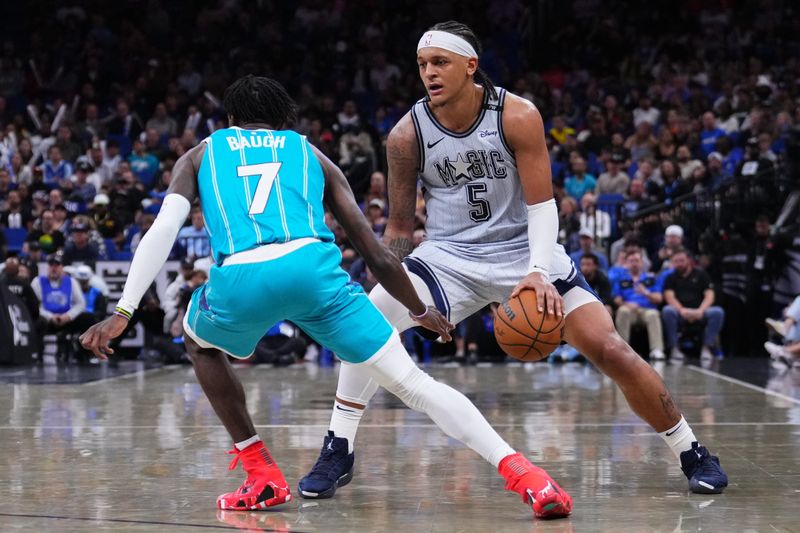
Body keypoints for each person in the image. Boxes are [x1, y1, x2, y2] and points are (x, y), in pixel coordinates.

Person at [80, 75, 572, 520]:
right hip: (315, 272)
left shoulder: (204, 152)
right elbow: (377, 254)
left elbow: (163, 229)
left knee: (199, 342)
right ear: (283, 121)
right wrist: (422, 312)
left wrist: (123, 311)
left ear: (230, 120)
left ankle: (261, 475)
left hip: (243, 276)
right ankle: (528, 477)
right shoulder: (310, 153)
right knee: (415, 386)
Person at [302, 20, 727, 502]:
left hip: (525, 251)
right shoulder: (406, 135)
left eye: (440, 62)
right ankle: (338, 448)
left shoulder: (516, 114)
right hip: (448, 256)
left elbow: (543, 205)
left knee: (608, 347)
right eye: (422, 65)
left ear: (470, 65)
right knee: (370, 320)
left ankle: (691, 450)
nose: (429, 73)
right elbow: (399, 230)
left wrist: (539, 272)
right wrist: (383, 279)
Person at [661, 249, 725, 361]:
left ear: (689, 261)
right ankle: (674, 348)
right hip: (680, 312)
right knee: (667, 310)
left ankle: (707, 347)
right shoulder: (670, 277)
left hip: (700, 311)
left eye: (682, 260)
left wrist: (701, 310)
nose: (679, 264)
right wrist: (682, 310)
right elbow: (669, 297)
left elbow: (710, 295)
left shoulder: (701, 274)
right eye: (676, 261)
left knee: (717, 312)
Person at [612, 249, 665, 360]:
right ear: (626, 263)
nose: (634, 263)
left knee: (653, 314)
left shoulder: (650, 279)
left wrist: (646, 293)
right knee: (622, 311)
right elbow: (616, 299)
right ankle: (622, 349)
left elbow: (659, 299)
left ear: (641, 263)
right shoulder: (621, 280)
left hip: (646, 310)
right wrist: (627, 304)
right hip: (629, 310)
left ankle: (656, 350)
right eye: (631, 261)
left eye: (636, 260)